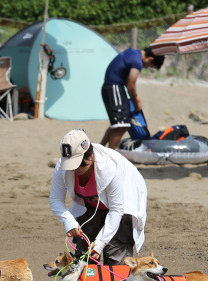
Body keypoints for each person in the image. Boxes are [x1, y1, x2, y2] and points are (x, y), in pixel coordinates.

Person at [49, 129, 148, 266]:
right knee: (83, 256)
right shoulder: (62, 167)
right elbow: (55, 200)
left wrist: (101, 242)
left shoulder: (110, 167)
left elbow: (116, 210)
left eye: (79, 163)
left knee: (115, 257)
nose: (75, 169)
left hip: (121, 206)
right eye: (71, 164)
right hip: (90, 204)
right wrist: (68, 220)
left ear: (91, 156)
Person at [100, 47, 164, 149]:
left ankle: (99, 150)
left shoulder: (132, 52)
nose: (146, 67)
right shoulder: (137, 62)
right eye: (149, 66)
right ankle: (109, 155)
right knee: (122, 125)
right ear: (150, 59)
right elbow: (130, 85)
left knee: (117, 124)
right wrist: (136, 101)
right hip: (114, 88)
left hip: (111, 88)